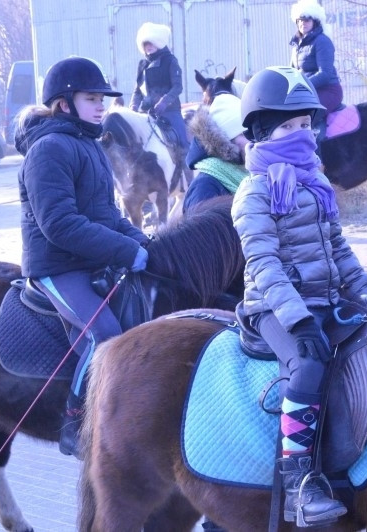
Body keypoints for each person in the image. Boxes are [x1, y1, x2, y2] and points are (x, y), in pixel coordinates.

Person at [233, 65, 367, 527]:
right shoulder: (254, 191)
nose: (301, 135)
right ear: (261, 131)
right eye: (288, 126)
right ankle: (299, 480)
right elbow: (263, 263)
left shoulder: (315, 185)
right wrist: (297, 319)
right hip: (273, 306)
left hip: (323, 298)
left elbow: (339, 248)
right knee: (308, 363)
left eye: (305, 125)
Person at [15, 56, 150, 459]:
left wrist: (144, 242)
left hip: (87, 260)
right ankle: (75, 422)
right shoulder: (48, 150)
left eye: (102, 99)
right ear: (63, 104)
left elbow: (108, 215)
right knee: (104, 334)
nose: (101, 106)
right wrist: (126, 251)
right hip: (56, 266)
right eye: (92, 98)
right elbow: (60, 225)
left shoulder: (87, 145)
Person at [182, 92, 249, 215]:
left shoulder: (251, 174)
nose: (255, 142)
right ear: (228, 140)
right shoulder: (205, 187)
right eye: (245, 135)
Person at [130, 22, 189, 152]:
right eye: (145, 44)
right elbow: (138, 91)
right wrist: (133, 108)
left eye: (150, 43)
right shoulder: (142, 64)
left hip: (169, 111)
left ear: (158, 42)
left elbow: (178, 87)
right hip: (147, 112)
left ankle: (187, 169)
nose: (148, 46)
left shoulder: (170, 60)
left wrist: (164, 102)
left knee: (183, 143)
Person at [289, 0, 342, 142]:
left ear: (315, 22)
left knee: (307, 116)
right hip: (308, 90)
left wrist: (302, 84)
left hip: (328, 90)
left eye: (306, 20)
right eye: (300, 20)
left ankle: (317, 156)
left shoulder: (322, 41)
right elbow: (292, 71)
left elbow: (325, 74)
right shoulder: (296, 45)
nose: (302, 23)